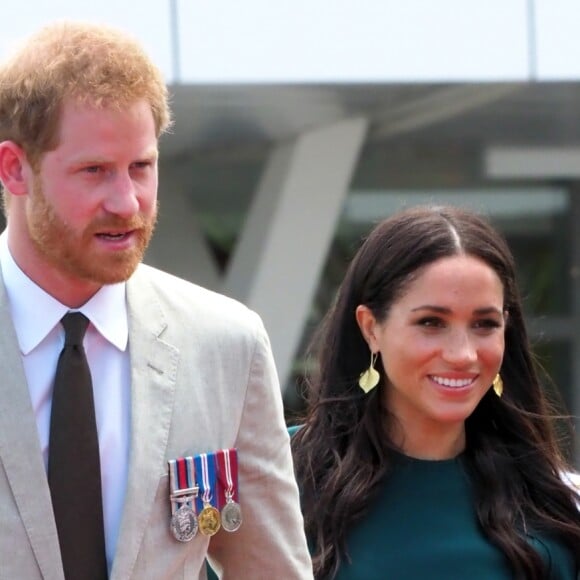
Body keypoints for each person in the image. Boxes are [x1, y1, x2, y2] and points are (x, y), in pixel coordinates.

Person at [0, 21, 312, 579]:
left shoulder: (224, 345)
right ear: (14, 169)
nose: (127, 201)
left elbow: (272, 570)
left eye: (141, 167)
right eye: (94, 171)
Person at [290, 205, 580, 579]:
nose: (462, 354)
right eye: (431, 322)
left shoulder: (555, 500)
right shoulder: (280, 477)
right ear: (370, 327)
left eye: (484, 324)